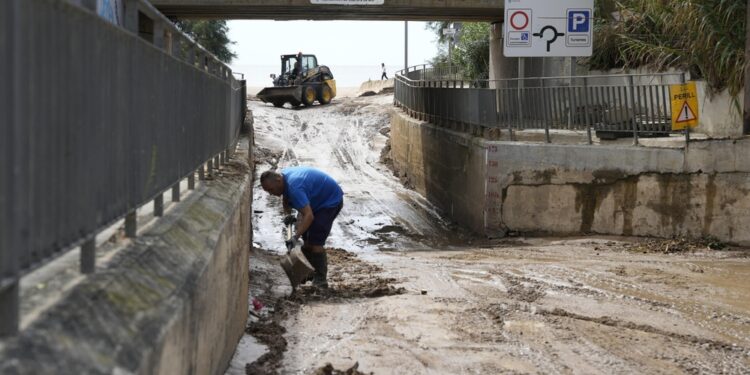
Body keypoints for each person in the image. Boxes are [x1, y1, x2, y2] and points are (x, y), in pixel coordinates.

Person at [260, 167, 344, 288]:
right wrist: (288, 215)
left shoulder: (295, 187)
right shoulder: (284, 180)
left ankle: (321, 280)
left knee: (315, 242)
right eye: (268, 191)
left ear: (278, 180)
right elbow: (286, 198)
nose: (271, 193)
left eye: (271, 189)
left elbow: (309, 216)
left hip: (329, 201)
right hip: (315, 201)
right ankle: (308, 272)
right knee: (307, 238)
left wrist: (295, 237)